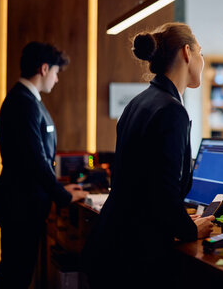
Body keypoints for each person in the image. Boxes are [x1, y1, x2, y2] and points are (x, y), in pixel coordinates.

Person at [82, 23, 215, 287]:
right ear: (187, 52)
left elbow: (146, 183)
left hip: (112, 241)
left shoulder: (138, 103)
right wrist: (189, 229)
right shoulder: (171, 110)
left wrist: (177, 217)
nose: (202, 61)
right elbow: (163, 191)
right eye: (201, 52)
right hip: (135, 255)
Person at [0, 41, 88, 288]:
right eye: (55, 72)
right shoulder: (23, 103)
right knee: (14, 276)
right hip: (19, 204)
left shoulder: (28, 101)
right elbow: (36, 160)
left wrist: (61, 191)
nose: (56, 79)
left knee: (17, 273)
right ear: (44, 69)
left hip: (24, 202)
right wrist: (62, 195)